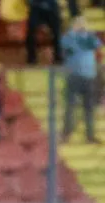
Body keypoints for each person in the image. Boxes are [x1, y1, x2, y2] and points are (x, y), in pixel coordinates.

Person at [61, 15, 101, 144]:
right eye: (79, 24)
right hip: (74, 76)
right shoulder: (68, 38)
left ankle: (90, 136)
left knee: (89, 108)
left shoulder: (89, 37)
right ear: (74, 26)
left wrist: (85, 34)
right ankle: (66, 134)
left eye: (83, 24)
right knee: (70, 106)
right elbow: (68, 46)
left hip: (89, 77)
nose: (82, 26)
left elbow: (97, 44)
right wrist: (77, 34)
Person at [26, 0, 63, 65]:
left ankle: (58, 56)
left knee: (57, 32)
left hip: (51, 7)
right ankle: (31, 57)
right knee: (31, 32)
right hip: (36, 7)